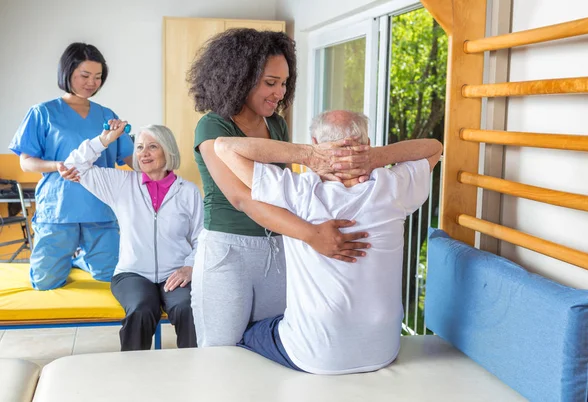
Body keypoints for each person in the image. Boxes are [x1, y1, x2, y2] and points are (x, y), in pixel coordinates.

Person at [210, 110, 443, 374]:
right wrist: (377, 158)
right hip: (382, 349)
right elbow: (434, 148)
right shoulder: (392, 188)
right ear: (366, 144)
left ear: (315, 142)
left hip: (315, 355)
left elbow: (224, 147)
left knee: (245, 333)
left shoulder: (299, 192)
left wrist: (308, 155)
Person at [188, 28, 371, 347]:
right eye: (270, 83)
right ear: (240, 78)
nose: (279, 92)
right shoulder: (213, 126)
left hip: (279, 249)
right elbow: (243, 198)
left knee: (271, 347)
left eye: (284, 83)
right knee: (221, 353)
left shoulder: (276, 124)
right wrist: (311, 234)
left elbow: (287, 190)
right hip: (229, 252)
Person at [63, 121, 203, 351]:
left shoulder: (187, 191)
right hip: (132, 274)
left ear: (167, 150)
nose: (144, 154)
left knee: (187, 308)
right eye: (139, 147)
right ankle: (132, 374)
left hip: (176, 272)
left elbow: (201, 238)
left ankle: (193, 370)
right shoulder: (121, 184)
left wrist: (190, 267)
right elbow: (74, 165)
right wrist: (106, 139)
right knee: (141, 308)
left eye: (152, 147)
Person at [9, 42, 133, 290]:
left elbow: (129, 159)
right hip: (59, 208)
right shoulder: (42, 113)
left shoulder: (107, 115)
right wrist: (58, 165)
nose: (92, 83)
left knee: (109, 275)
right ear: (67, 73)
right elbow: (26, 162)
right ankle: (70, 257)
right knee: (45, 282)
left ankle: (79, 259)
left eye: (98, 77)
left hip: (100, 206)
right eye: (84, 75)